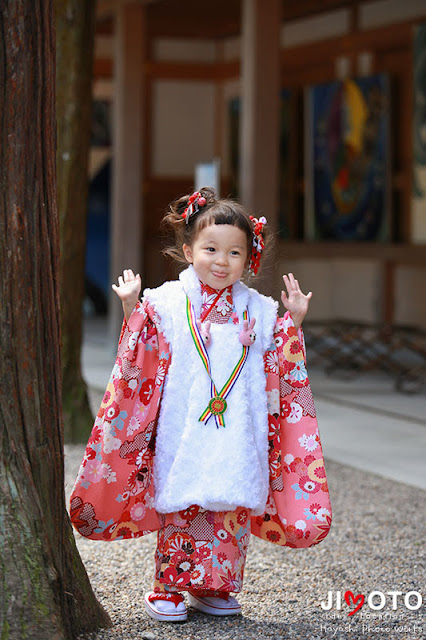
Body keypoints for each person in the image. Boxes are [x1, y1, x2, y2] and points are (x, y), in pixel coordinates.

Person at [70, 187, 332, 623]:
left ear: (248, 260)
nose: (221, 261)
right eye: (211, 248)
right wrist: (134, 305)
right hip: (185, 425)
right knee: (183, 503)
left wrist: (294, 323)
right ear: (189, 250)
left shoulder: (260, 310)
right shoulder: (169, 301)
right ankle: (170, 586)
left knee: (229, 506)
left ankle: (217, 585)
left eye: (234, 252)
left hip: (237, 432)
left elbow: (277, 363)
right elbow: (143, 352)